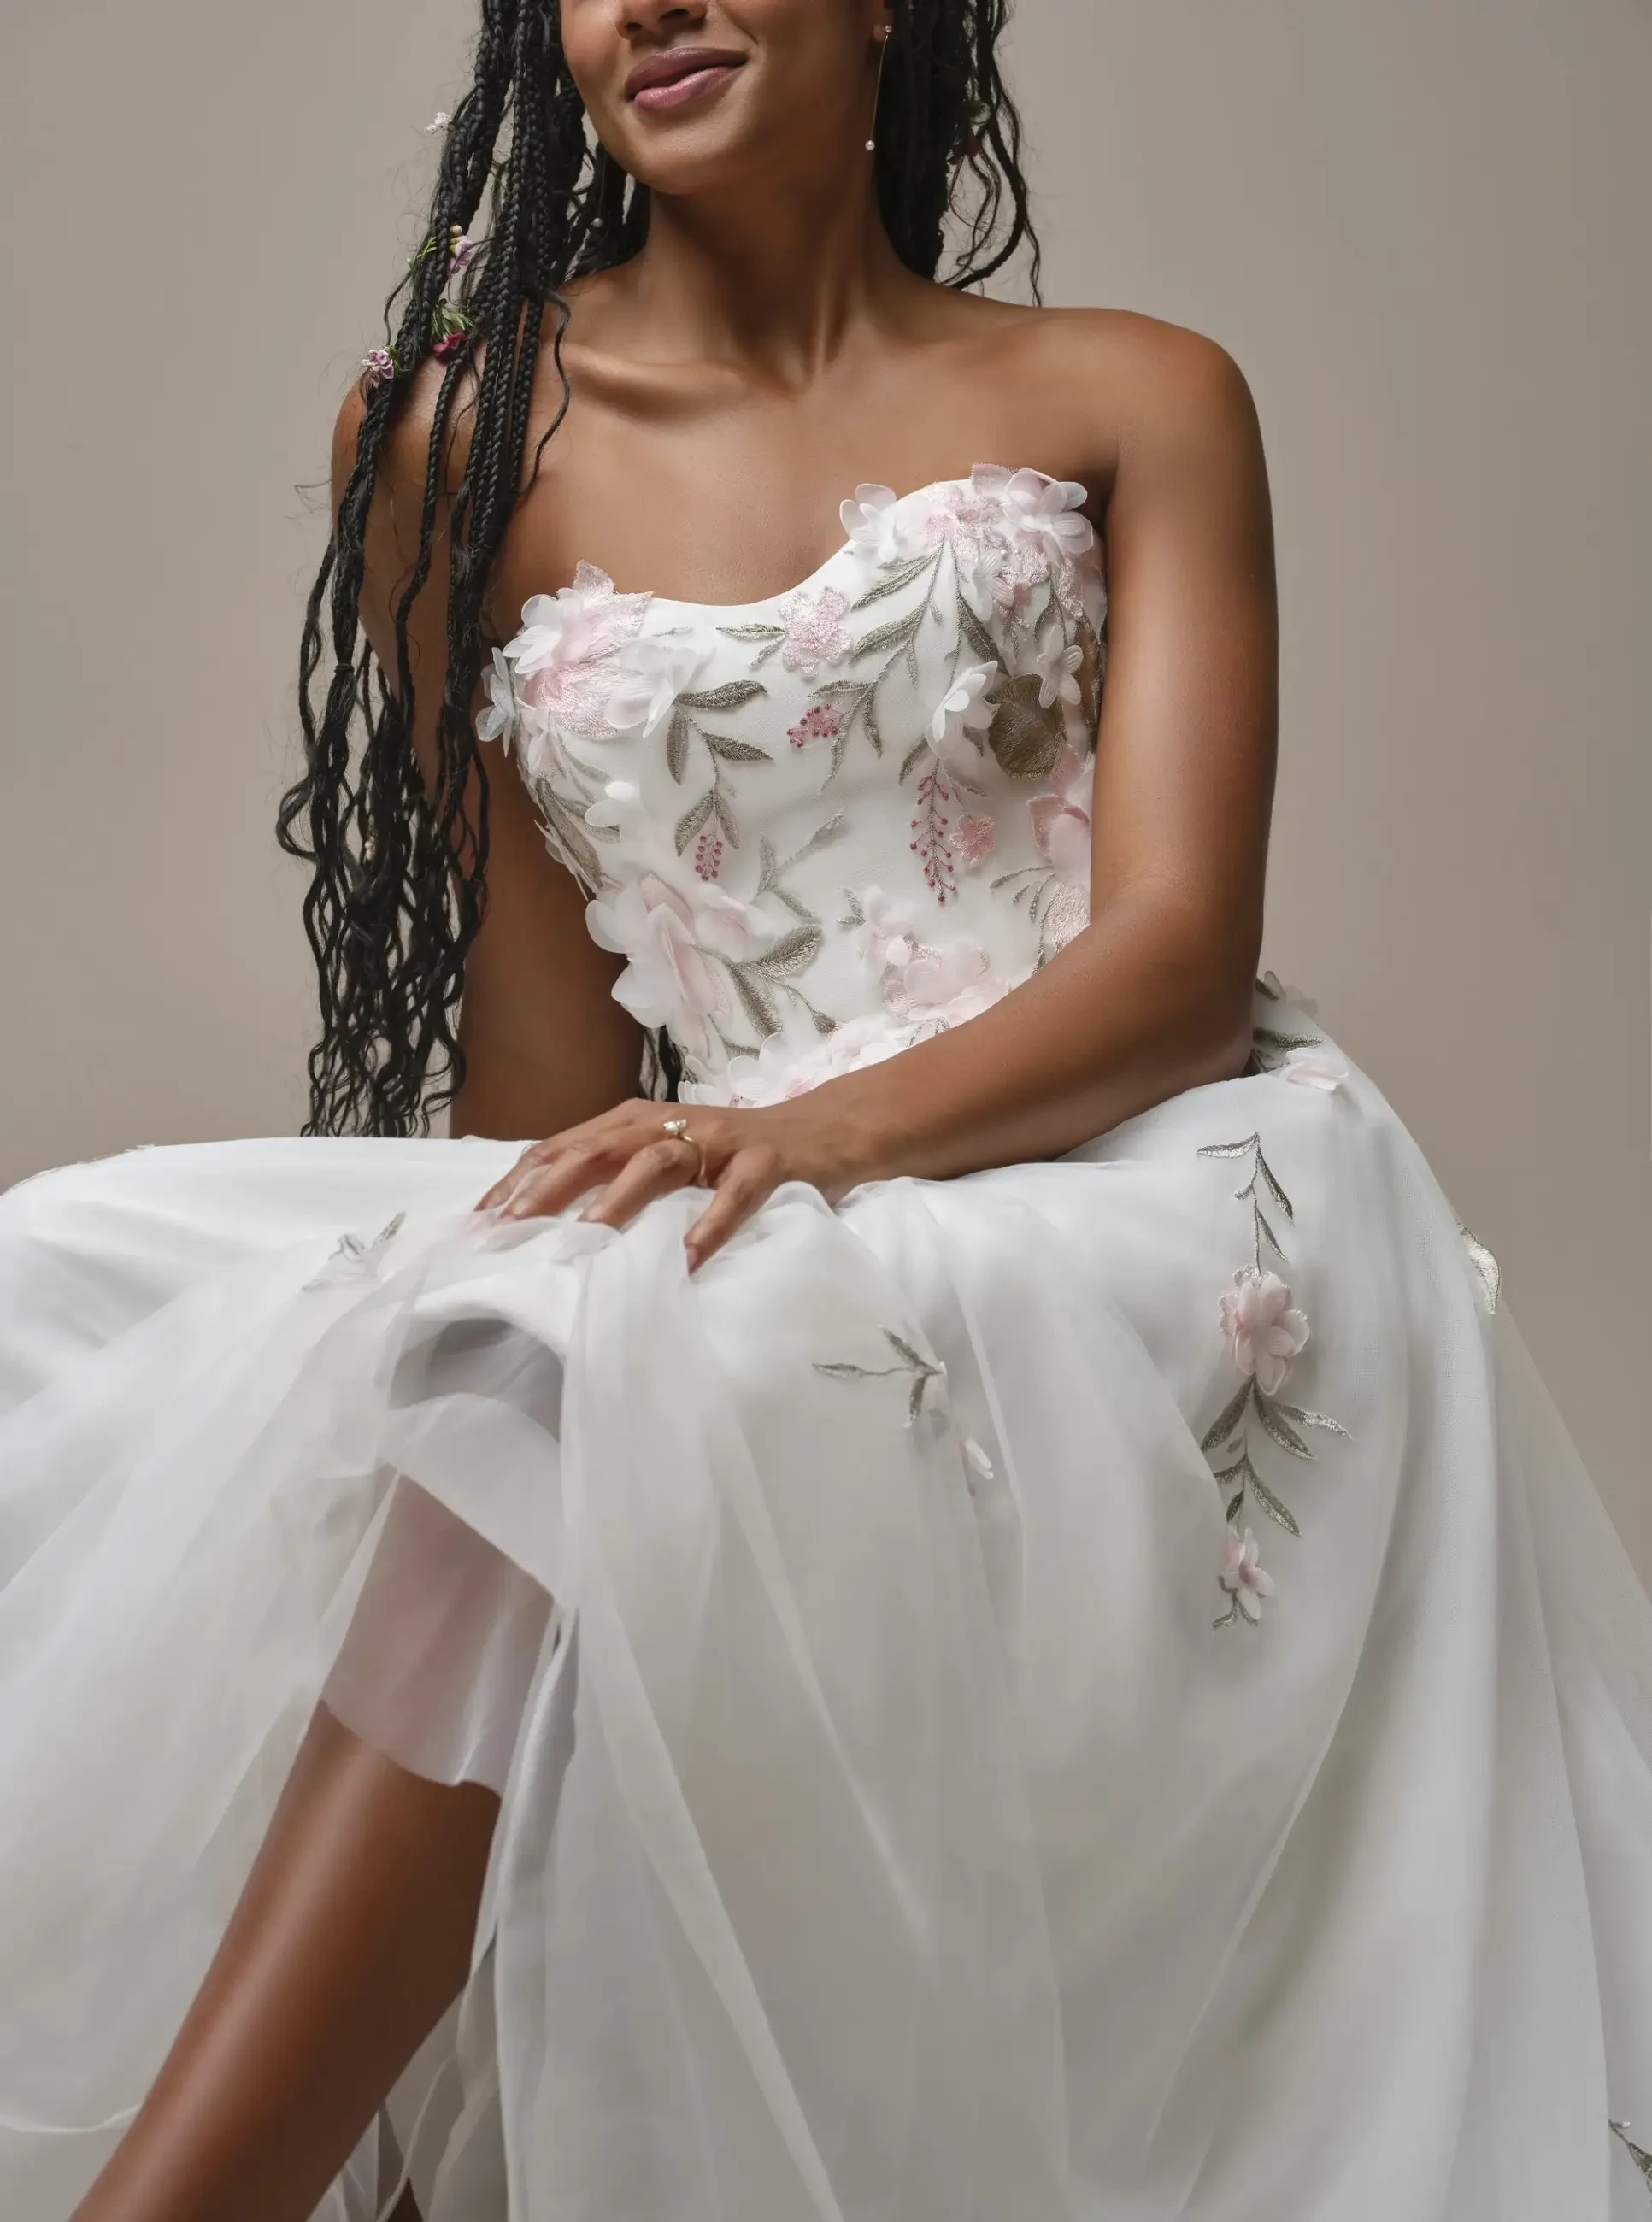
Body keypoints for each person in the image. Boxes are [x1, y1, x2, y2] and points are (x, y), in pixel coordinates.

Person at [2, 3, 1649, 2218]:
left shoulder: (1136, 394)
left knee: (577, 1362)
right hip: (745, 1201)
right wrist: (495, 1267)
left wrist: (809, 1144)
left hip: (1153, 1189)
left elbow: (1168, 968)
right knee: (90, 1293)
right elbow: (551, 1079)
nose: (647, 4)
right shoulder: (452, 446)